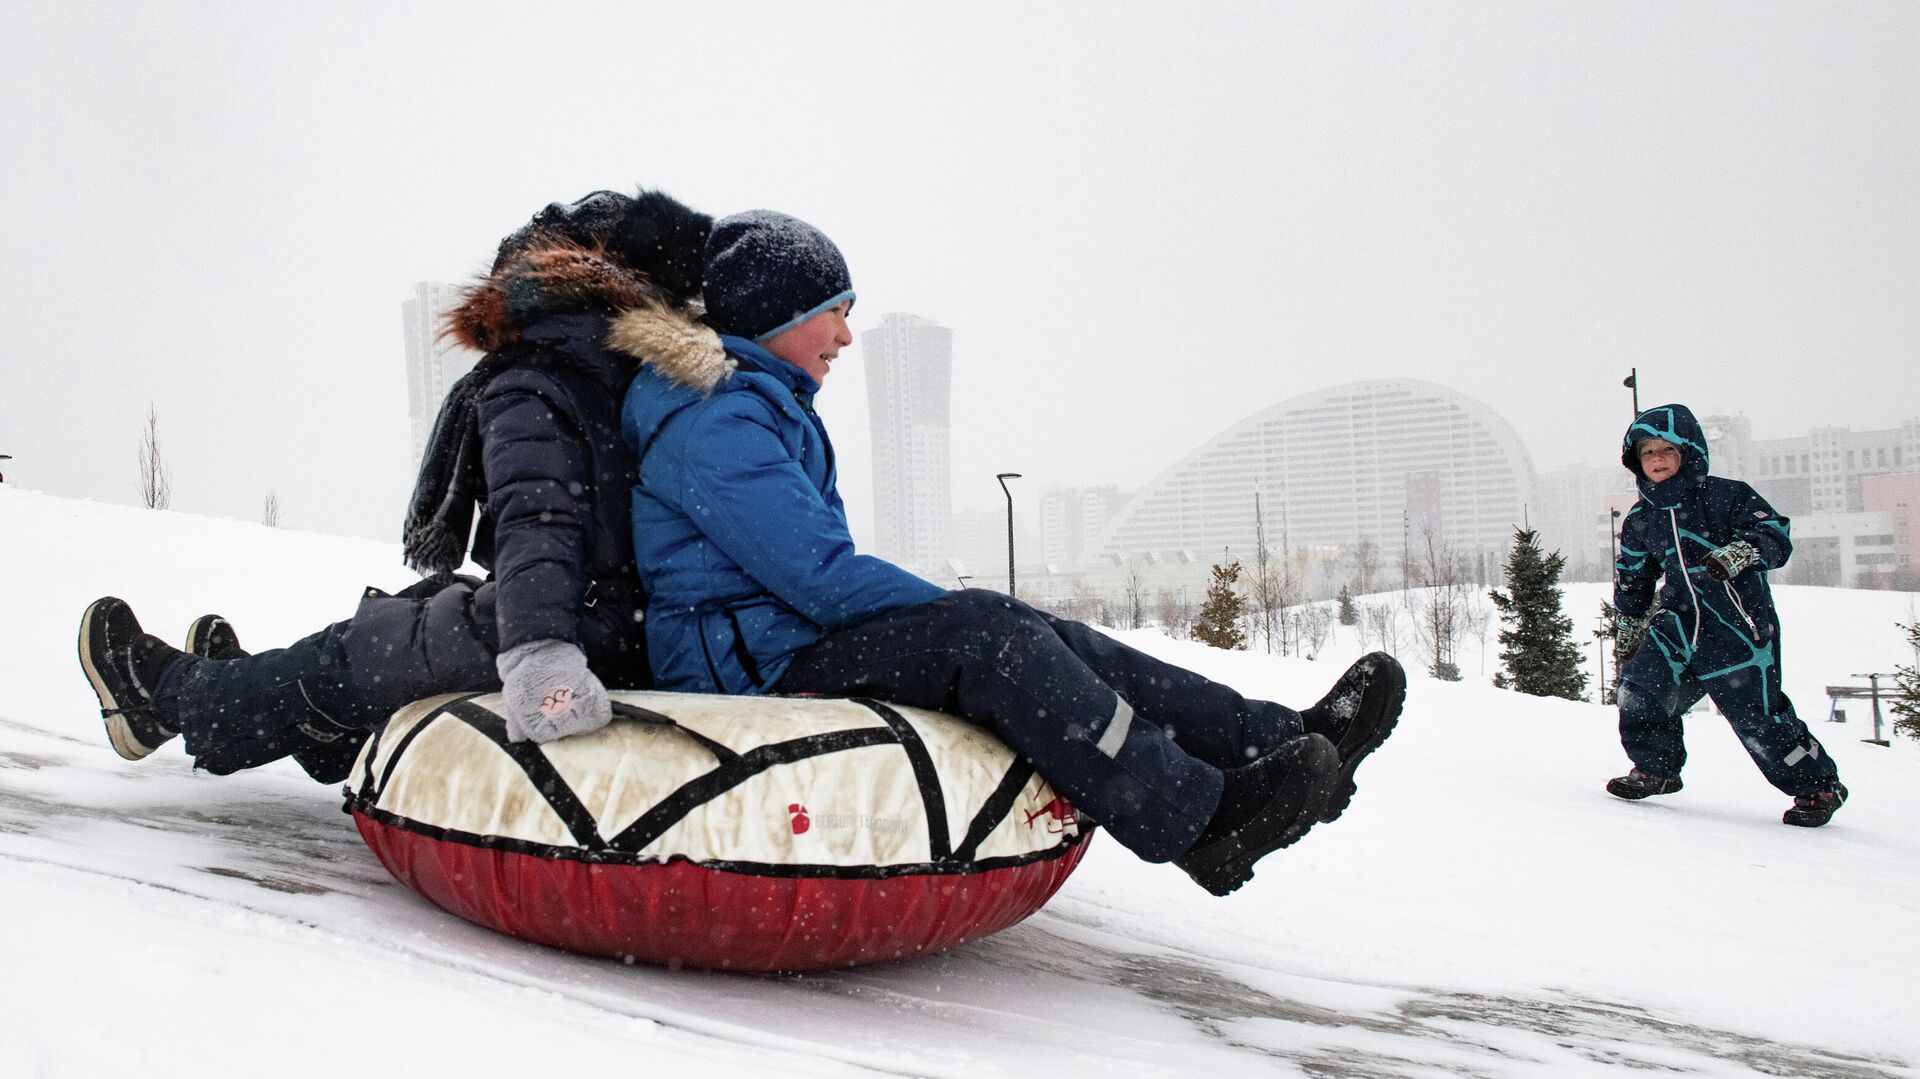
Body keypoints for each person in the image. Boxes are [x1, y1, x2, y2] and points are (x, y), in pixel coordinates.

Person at [617, 209, 1407, 896]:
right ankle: (1198, 820)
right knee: (989, 637)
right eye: (835, 311)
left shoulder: (756, 404)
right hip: (744, 662)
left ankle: (1272, 736)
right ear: (775, 314)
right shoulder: (713, 423)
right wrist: (955, 612)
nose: (848, 335)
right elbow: (820, 576)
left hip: (780, 639)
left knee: (1028, 628)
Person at [77, 189, 714, 782]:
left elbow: (540, 521)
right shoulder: (640, 376)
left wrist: (541, 647)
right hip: (629, 612)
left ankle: (173, 695)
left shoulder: (544, 379)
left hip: (591, 622)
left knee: (364, 650)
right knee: (429, 598)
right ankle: (298, 716)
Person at [1607, 403, 1847, 826]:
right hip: (1677, 623)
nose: (1657, 460)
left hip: (1736, 626)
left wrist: (1740, 553)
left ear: (1689, 453)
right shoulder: (1642, 518)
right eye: (1647, 452)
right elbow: (1633, 572)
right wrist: (1628, 618)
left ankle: (1817, 786)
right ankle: (1656, 769)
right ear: (1635, 460)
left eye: (1666, 450)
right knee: (1640, 690)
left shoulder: (1727, 495)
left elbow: (1774, 535)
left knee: (1756, 714)